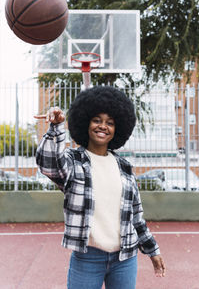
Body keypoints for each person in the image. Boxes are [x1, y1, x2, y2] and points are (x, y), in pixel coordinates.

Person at [35, 86, 165, 289]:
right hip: (87, 258)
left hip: (125, 259)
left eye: (110, 123)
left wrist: (152, 250)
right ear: (86, 123)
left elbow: (136, 216)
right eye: (97, 120)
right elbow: (49, 164)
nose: (103, 126)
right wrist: (56, 128)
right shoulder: (74, 162)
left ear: (117, 129)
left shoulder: (124, 167)